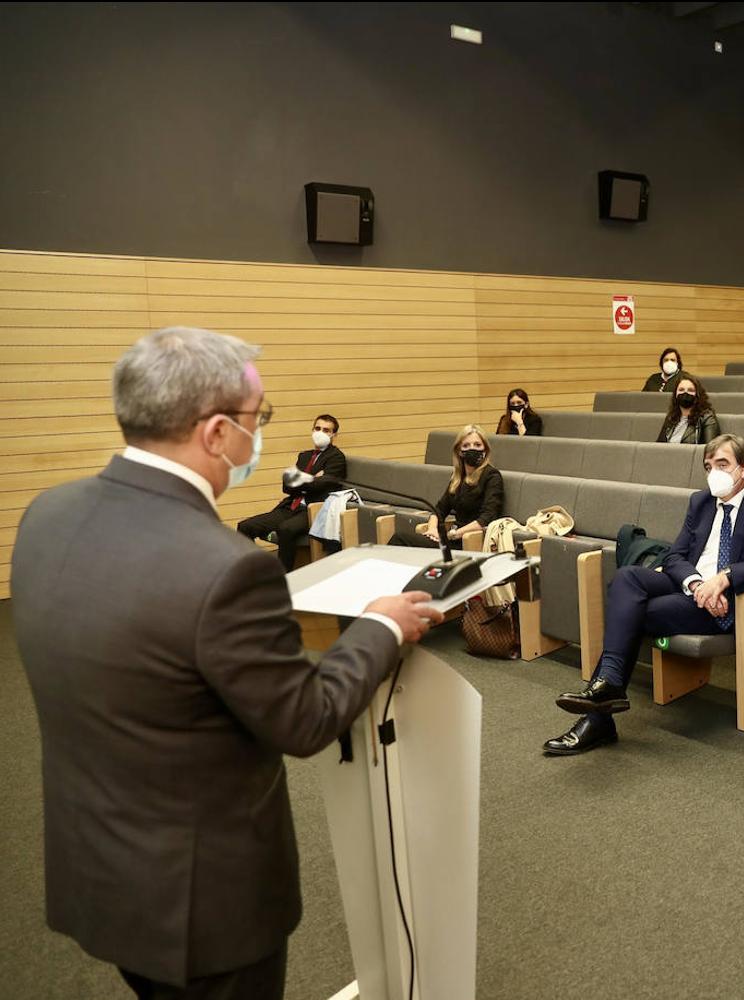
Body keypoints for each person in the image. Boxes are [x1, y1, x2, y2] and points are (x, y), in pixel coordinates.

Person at [10, 326, 443, 1000]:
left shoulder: (47, 513)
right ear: (216, 433)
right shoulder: (226, 569)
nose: (261, 433)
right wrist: (383, 624)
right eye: (258, 418)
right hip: (203, 909)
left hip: (101, 869)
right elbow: (305, 719)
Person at [543, 434, 744, 755]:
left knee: (633, 612)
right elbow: (675, 557)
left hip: (727, 602)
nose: (714, 473)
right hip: (692, 588)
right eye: (708, 467)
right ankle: (607, 685)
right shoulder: (701, 501)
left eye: (723, 464)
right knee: (627, 579)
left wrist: (726, 577)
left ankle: (599, 716)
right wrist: (694, 583)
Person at [235, 413, 346, 570]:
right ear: (312, 430)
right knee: (245, 527)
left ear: (334, 434)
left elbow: (324, 484)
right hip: (290, 506)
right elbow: (287, 486)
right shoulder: (304, 456)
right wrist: (312, 478)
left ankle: (283, 576)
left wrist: (300, 479)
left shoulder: (336, 457)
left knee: (285, 529)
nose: (321, 433)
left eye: (327, 430)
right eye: (317, 428)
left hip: (312, 510)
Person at [392, 425, 504, 546]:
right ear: (459, 452)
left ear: (485, 450)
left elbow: (487, 517)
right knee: (400, 539)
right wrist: (432, 530)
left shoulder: (491, 476)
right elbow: (439, 510)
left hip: (470, 540)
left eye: (477, 445)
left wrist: (454, 534)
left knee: (400, 539)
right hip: (451, 538)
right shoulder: (458, 478)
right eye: (466, 446)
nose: (472, 449)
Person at [657, 375, 721, 444]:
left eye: (690, 390)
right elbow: (659, 445)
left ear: (697, 395)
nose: (685, 393)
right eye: (681, 390)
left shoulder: (707, 418)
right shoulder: (671, 417)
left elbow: (710, 449)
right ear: (675, 394)